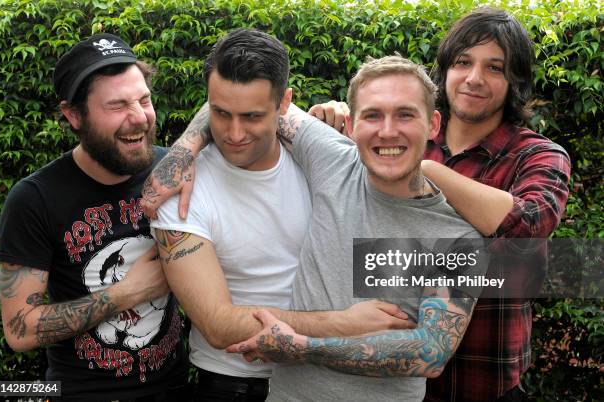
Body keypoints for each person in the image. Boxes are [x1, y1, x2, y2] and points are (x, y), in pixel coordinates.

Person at [149, 52, 489, 400]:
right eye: (373, 115)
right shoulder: (331, 158)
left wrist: (303, 347)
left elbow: (430, 353)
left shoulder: (459, 240)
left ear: (433, 124)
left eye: (405, 114)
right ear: (352, 124)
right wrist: (183, 150)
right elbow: (240, 100)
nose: (388, 131)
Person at [306, 7, 571, 401]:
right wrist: (339, 119)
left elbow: (531, 222)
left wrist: (427, 168)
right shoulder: (403, 135)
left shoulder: (536, 155)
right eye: (463, 62)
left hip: (483, 384)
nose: (474, 78)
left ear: (514, 81)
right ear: (445, 69)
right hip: (384, 383)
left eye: (494, 68)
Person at [0, 33, 189, 401]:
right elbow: (19, 330)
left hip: (176, 389)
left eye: (144, 100)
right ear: (73, 115)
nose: (139, 118)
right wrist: (126, 293)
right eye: (117, 106)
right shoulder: (34, 199)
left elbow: (236, 118)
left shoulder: (173, 170)